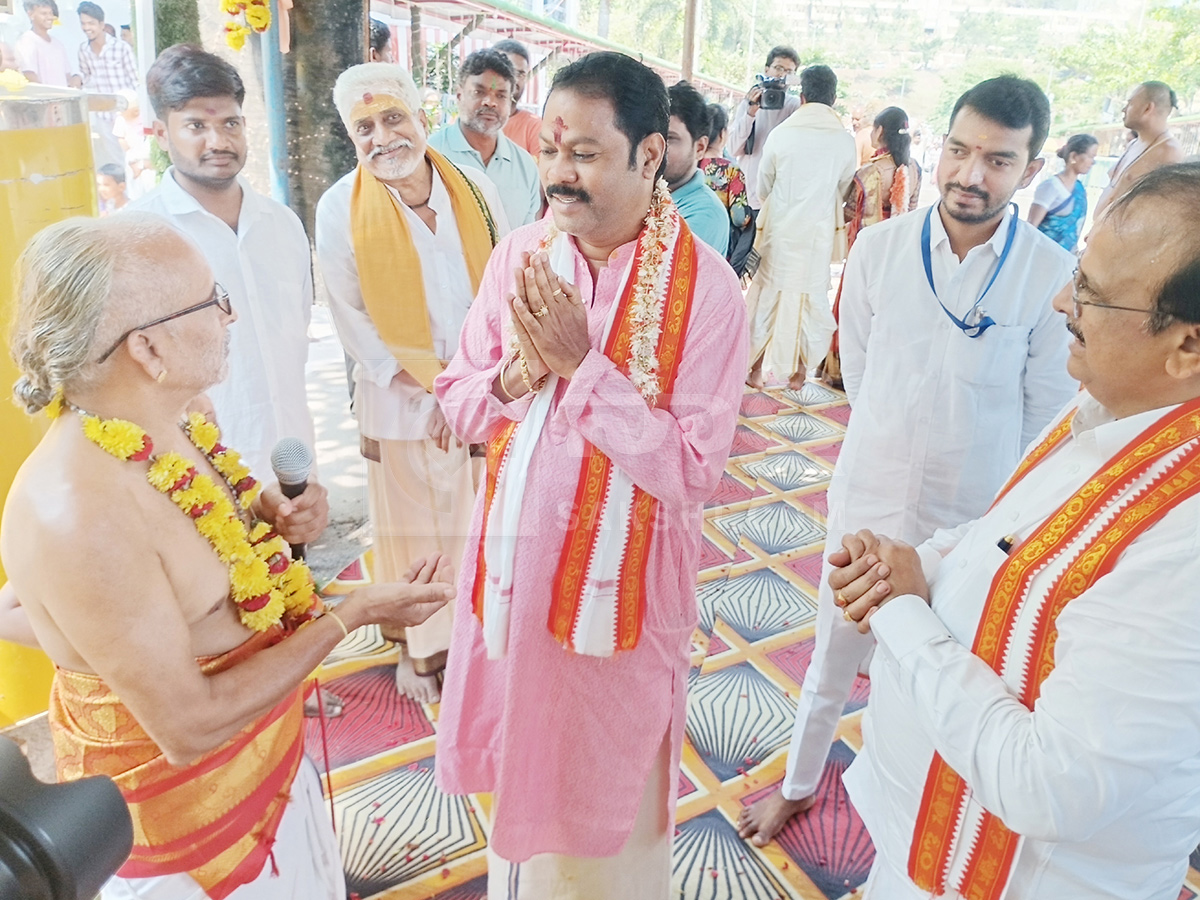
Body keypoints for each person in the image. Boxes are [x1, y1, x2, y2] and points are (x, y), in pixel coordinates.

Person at [0, 213, 453, 900]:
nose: (230, 315)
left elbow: (199, 569)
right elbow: (189, 727)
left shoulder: (179, 416)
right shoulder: (77, 511)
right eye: (212, 300)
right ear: (147, 350)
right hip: (187, 830)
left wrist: (262, 516)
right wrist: (347, 616)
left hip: (271, 759)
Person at [831, 161, 1200, 900]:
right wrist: (917, 562)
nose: (1063, 299)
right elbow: (1007, 541)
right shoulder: (1115, 405)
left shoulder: (1186, 543)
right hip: (919, 840)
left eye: (1092, 293)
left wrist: (901, 611)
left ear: (1187, 346)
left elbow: (1050, 785)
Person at [433, 50, 748, 897]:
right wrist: (515, 377)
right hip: (512, 583)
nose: (559, 176)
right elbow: (459, 402)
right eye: (550, 151)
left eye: (585, 154)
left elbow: (691, 471)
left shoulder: (709, 294)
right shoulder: (521, 256)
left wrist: (582, 370)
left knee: (600, 839)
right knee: (518, 823)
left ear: (650, 154)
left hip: (620, 608)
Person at [737, 75, 1078, 848]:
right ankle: (798, 784)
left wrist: (987, 519)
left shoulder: (1048, 274)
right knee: (833, 652)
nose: (969, 174)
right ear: (940, 146)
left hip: (968, 522)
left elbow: (1041, 418)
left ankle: (908, 813)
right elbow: (856, 366)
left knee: (940, 674)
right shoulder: (882, 249)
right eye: (959, 150)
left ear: (1028, 169)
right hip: (870, 491)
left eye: (997, 160)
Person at [316, 62, 507, 703]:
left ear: (421, 119)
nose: (381, 137)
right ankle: (418, 654)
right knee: (412, 534)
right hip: (401, 404)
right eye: (363, 127)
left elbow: (502, 290)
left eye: (392, 118)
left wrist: (470, 390)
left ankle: (478, 639)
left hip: (480, 395)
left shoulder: (474, 188)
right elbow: (356, 325)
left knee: (479, 523)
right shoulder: (339, 207)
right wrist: (437, 392)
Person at [129, 45, 322, 494]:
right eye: (196, 126)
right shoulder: (137, 235)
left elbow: (294, 342)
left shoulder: (283, 225)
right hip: (190, 481)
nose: (218, 141)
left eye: (229, 123)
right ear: (161, 133)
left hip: (289, 472)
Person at [745, 64, 856, 390]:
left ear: (802, 96)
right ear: (833, 100)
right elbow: (843, 188)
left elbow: (763, 185)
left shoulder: (782, 134)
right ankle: (798, 374)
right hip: (817, 235)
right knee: (810, 300)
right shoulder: (844, 142)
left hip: (779, 231)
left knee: (768, 298)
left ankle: (754, 371)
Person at [821, 105, 921, 387]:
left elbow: (849, 212)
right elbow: (912, 208)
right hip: (900, 251)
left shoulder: (868, 173)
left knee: (853, 307)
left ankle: (840, 371)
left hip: (867, 250)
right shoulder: (914, 168)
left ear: (879, 132)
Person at [428, 49, 541, 228]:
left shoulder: (525, 166)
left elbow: (526, 239)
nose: (490, 102)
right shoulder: (430, 156)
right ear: (459, 95)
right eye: (479, 92)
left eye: (501, 95)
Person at [1093, 81, 1184, 221]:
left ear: (1147, 108)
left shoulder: (1169, 153)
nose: (1124, 109)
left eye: (1130, 103)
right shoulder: (1134, 144)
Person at [727, 45, 800, 214]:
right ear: (767, 69)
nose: (782, 75)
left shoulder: (794, 106)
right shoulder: (750, 101)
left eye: (789, 72)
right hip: (746, 195)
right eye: (778, 68)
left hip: (777, 197)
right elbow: (733, 149)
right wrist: (750, 113)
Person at [665, 80, 729, 256]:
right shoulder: (649, 196)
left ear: (700, 147)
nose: (656, 149)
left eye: (670, 138)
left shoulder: (704, 215)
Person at [77, 1, 139, 168]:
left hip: (127, 115)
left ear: (101, 24)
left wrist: (136, 110)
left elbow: (135, 80)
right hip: (104, 116)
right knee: (117, 163)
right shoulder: (83, 50)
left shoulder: (121, 48)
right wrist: (77, 79)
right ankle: (123, 192)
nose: (86, 27)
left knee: (134, 157)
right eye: (83, 23)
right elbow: (87, 77)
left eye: (91, 23)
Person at [699, 102, 753, 274]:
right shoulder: (731, 171)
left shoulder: (686, 167)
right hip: (721, 250)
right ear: (722, 135)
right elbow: (739, 218)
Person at [1028, 132, 1098, 251]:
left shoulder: (1080, 189)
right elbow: (1031, 226)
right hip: (1041, 254)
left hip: (1065, 258)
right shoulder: (1051, 186)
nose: (1093, 162)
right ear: (1074, 157)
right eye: (1090, 156)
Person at [495, 38, 542, 158]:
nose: (514, 79)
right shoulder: (468, 123)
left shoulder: (535, 127)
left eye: (520, 74)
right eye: (508, 70)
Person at [16, 0, 80, 87]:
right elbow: (29, 75)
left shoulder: (58, 44)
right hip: (42, 99)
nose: (49, 17)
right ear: (30, 14)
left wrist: (76, 79)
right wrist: (46, 98)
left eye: (51, 13)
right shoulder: (26, 41)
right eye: (44, 13)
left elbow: (67, 75)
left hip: (63, 98)